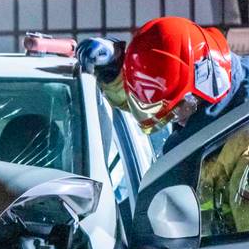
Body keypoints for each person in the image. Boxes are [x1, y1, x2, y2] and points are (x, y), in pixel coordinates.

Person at [77, 16, 249, 154]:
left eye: (176, 109)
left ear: (203, 85)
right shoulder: (219, 88)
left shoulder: (196, 147)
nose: (175, 119)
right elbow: (158, 99)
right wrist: (115, 75)